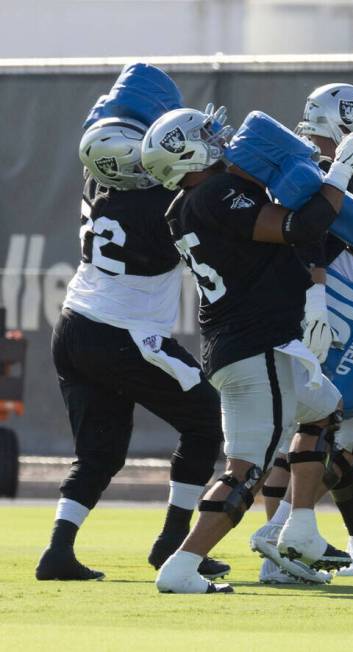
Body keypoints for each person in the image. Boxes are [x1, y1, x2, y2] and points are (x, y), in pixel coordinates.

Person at [141, 106, 353, 593]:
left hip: (256, 343)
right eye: (205, 134)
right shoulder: (212, 193)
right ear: (187, 152)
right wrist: (340, 171)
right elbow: (298, 227)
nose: (218, 136)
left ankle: (293, 530)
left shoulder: (190, 202)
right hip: (256, 348)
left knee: (326, 410)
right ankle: (183, 565)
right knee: (245, 471)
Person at [36, 117, 228, 582]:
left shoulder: (95, 183)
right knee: (205, 419)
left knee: (99, 453)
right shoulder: (161, 206)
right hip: (124, 333)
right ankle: (173, 544)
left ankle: (58, 550)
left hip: (73, 326)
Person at [251, 83, 353, 584]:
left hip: (296, 309)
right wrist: (316, 293)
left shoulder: (290, 160)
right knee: (342, 441)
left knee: (299, 438)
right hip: (334, 311)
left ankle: (280, 547)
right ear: (344, 122)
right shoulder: (316, 168)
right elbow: (309, 234)